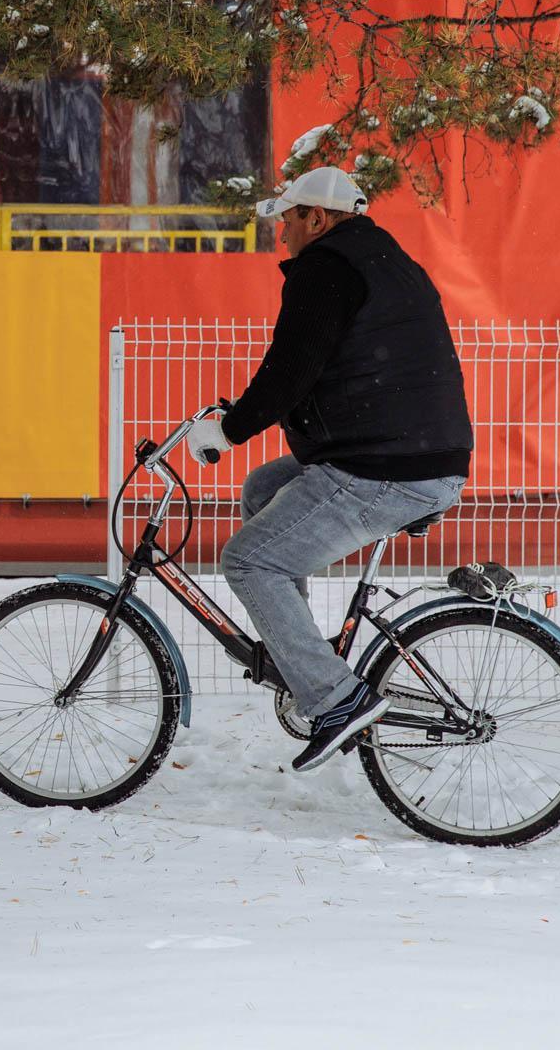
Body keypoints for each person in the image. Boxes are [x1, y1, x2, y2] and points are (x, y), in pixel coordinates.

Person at [184, 166, 473, 772]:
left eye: (287, 220)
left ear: (316, 218)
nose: (281, 235)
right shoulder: (384, 258)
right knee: (266, 487)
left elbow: (293, 370)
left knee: (248, 559)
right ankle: (303, 657)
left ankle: (336, 700)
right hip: (414, 452)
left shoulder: (326, 267)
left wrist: (228, 430)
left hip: (387, 465)